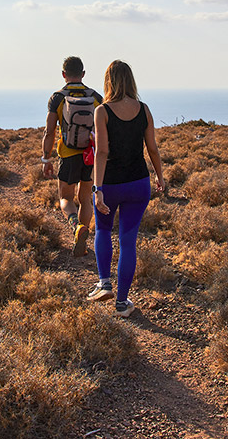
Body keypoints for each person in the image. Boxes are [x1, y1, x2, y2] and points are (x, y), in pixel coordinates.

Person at [87, 60, 165, 317]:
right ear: (131, 80)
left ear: (108, 81)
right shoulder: (144, 109)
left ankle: (104, 284)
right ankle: (122, 303)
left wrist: (97, 188)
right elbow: (152, 147)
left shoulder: (103, 111)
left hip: (110, 184)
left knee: (103, 229)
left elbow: (102, 152)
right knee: (128, 241)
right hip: (138, 183)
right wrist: (160, 177)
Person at [42, 56, 102, 257]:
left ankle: (76, 227)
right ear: (83, 74)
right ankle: (82, 241)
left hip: (68, 155)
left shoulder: (58, 98)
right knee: (85, 198)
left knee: (65, 198)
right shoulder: (95, 97)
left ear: (63, 74)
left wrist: (46, 158)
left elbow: (49, 132)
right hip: (91, 156)